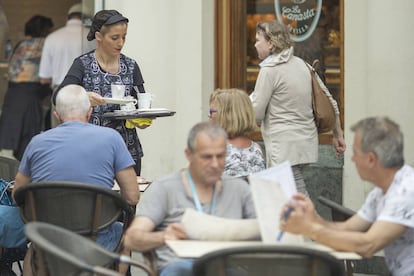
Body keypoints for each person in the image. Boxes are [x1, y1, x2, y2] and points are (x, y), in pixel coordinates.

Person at [12, 84, 139, 275]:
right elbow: (132, 197)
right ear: (89, 112)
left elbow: (17, 196)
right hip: (97, 241)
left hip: (50, 240)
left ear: (57, 115)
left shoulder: (37, 142)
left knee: (35, 244)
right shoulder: (111, 138)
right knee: (126, 233)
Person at [280, 116, 414, 276]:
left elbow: (368, 245)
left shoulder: (406, 192)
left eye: (355, 153)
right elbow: (347, 229)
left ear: (371, 159)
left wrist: (309, 229)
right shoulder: (382, 191)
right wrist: (313, 219)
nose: (352, 158)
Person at [124, 121, 257, 275]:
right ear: (189, 154)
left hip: (225, 267)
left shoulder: (239, 188)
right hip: (181, 266)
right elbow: (132, 238)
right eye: (207, 157)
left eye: (220, 156)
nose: (215, 164)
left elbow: (267, 234)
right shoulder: (166, 188)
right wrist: (165, 236)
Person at [250, 20, 346, 195]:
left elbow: (256, 114)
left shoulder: (269, 70)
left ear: (271, 43)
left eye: (258, 40)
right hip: (306, 144)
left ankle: (311, 222)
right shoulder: (303, 65)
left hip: (284, 148)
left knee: (295, 195)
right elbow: (329, 100)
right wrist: (337, 133)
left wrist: (242, 110)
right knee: (286, 194)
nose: (255, 44)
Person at [54, 9, 148, 175]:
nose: (120, 43)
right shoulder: (83, 64)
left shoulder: (131, 66)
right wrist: (83, 97)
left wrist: (142, 118)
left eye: (124, 37)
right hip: (90, 150)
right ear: (98, 36)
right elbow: (58, 96)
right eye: (114, 38)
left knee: (128, 199)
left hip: (127, 151)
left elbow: (141, 102)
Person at [0, 15, 53, 160]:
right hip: (31, 93)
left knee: (12, 136)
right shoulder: (44, 44)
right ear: (44, 30)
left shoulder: (21, 45)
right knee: (28, 138)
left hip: (12, 94)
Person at [39, 2, 96, 129]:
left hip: (60, 93)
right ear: (87, 19)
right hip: (86, 93)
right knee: (85, 134)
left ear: (67, 18)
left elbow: (44, 77)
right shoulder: (92, 38)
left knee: (60, 134)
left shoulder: (52, 38)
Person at [209, 88, 265, 179]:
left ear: (227, 115)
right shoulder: (257, 149)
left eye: (212, 111)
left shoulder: (215, 148)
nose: (209, 115)